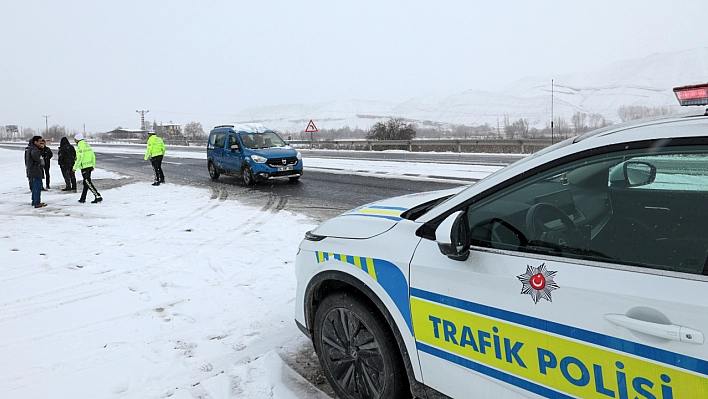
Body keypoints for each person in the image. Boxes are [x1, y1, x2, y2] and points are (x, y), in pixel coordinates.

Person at [72, 133, 103, 203]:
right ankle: (83, 198)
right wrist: (93, 165)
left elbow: (79, 157)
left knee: (87, 182)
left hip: (84, 167)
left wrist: (75, 167)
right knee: (85, 183)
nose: (74, 141)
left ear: (77, 139)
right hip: (89, 166)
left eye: (75, 139)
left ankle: (97, 195)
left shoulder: (80, 146)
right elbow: (93, 156)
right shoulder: (87, 145)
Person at [25, 136, 46, 208]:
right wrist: (39, 162)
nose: (41, 142)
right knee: (37, 186)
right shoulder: (34, 149)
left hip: (31, 170)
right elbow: (37, 157)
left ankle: (34, 201)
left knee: (34, 186)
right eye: (39, 141)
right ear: (35, 141)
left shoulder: (30, 148)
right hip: (35, 170)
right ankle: (36, 202)